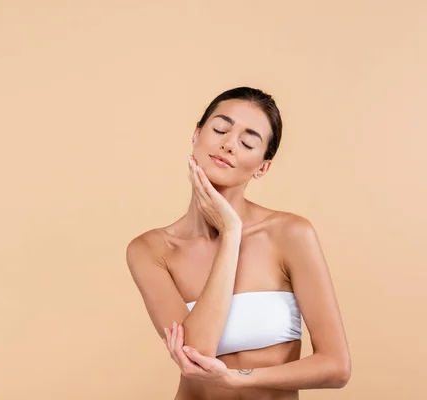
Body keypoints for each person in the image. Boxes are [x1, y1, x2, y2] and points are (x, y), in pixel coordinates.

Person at [126, 87, 351, 400]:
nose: (228, 144)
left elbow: (336, 367)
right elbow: (196, 354)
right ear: (196, 134)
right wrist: (231, 233)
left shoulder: (290, 234)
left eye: (247, 142)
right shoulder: (151, 250)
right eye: (220, 129)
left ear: (262, 166)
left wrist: (237, 379)